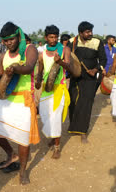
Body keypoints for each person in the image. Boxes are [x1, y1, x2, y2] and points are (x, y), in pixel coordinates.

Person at [0, 22, 39, 185]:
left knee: (22, 139)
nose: (8, 43)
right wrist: (0, 83)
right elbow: (0, 76)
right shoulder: (3, 55)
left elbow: (28, 67)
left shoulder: (30, 49)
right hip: (6, 100)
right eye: (5, 41)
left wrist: (14, 68)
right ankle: (11, 154)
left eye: (11, 39)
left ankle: (22, 171)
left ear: (18, 36)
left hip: (23, 101)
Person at [68, 21, 107, 143]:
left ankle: (83, 132)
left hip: (90, 77)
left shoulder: (97, 42)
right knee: (73, 101)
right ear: (80, 33)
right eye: (87, 32)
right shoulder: (72, 42)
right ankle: (74, 127)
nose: (90, 33)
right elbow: (67, 57)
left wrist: (95, 69)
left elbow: (103, 59)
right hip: (75, 76)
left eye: (91, 31)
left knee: (86, 103)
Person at [36, 25, 71, 159]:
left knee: (55, 118)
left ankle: (57, 147)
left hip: (59, 89)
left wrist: (60, 61)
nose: (54, 39)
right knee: (45, 117)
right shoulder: (42, 54)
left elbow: (69, 66)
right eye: (51, 37)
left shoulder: (64, 50)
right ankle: (52, 136)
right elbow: (40, 72)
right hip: (46, 89)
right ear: (46, 38)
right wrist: (38, 81)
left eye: (56, 37)